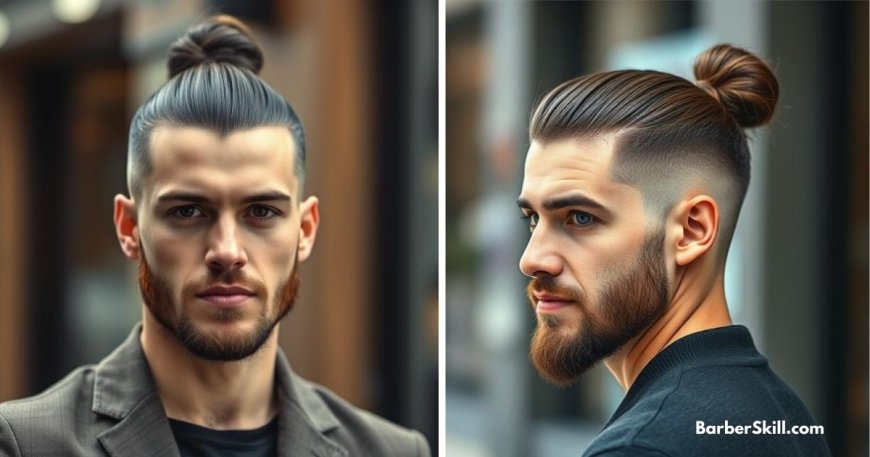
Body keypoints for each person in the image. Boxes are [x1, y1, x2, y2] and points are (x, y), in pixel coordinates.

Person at [0, 15, 429, 457]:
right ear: (129, 228)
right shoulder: (28, 444)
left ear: (304, 230)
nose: (227, 251)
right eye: (187, 211)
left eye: (261, 212)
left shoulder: (392, 451)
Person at [517, 44, 831, 456]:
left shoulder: (641, 447)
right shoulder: (784, 415)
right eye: (533, 219)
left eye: (579, 218)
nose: (532, 259)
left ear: (690, 230)